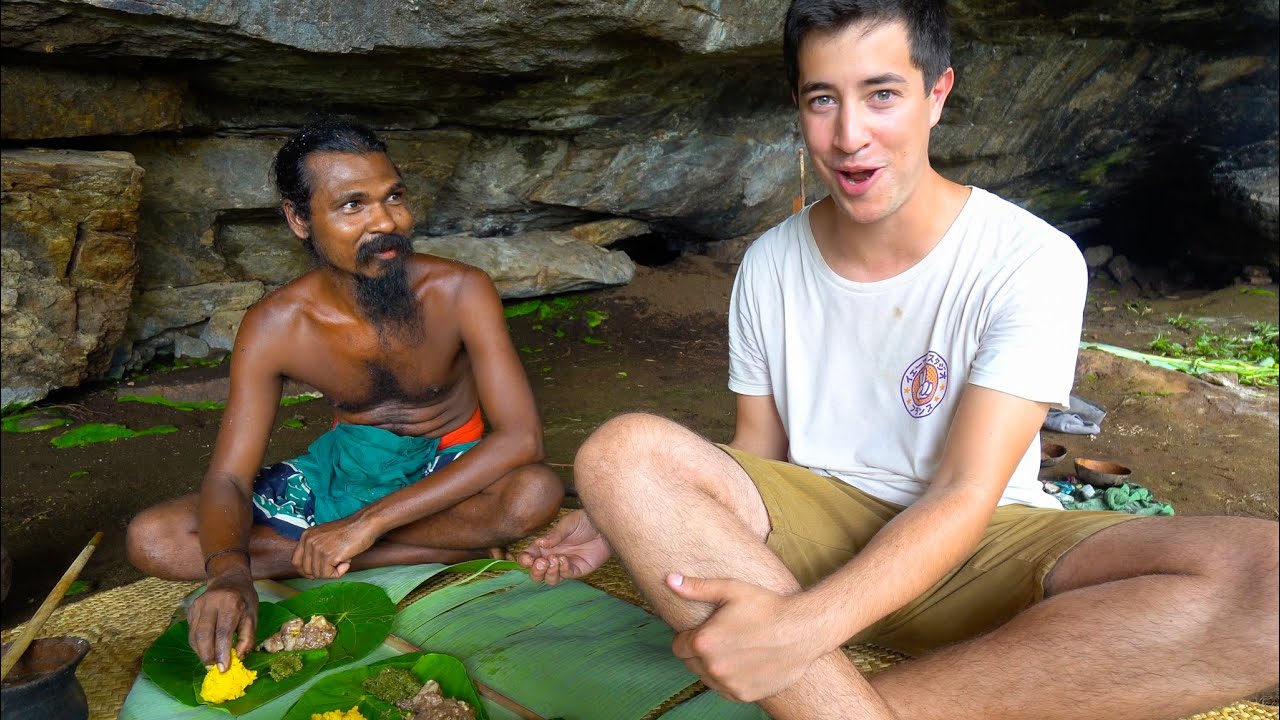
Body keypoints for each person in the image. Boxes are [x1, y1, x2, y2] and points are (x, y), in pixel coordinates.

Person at [517, 2, 1280, 718]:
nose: (850, 135)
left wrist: (804, 628)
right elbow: (757, 455)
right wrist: (635, 515)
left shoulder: (1028, 259)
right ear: (799, 105)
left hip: (984, 542)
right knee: (622, 454)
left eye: (881, 94)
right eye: (823, 100)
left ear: (936, 94)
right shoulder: (770, 263)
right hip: (815, 528)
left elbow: (964, 489)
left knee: (1271, 583)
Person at [127, 117, 564, 671]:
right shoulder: (276, 325)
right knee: (155, 538)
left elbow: (522, 438)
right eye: (352, 205)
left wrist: (366, 525)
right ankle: (434, 550)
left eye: (394, 197)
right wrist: (229, 574)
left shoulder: (460, 289)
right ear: (299, 219)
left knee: (531, 494)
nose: (386, 221)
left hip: (449, 468)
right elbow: (229, 478)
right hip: (344, 475)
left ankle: (344, 547)